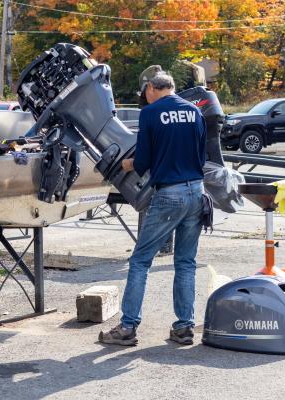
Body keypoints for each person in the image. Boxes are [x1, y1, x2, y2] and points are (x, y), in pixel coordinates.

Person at [99, 69, 207, 346]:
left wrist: (123, 164)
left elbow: (142, 161)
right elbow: (201, 155)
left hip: (169, 194)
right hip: (196, 191)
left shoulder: (150, 113)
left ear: (150, 88)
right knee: (185, 262)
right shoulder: (195, 112)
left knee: (140, 261)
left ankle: (127, 327)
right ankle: (184, 328)